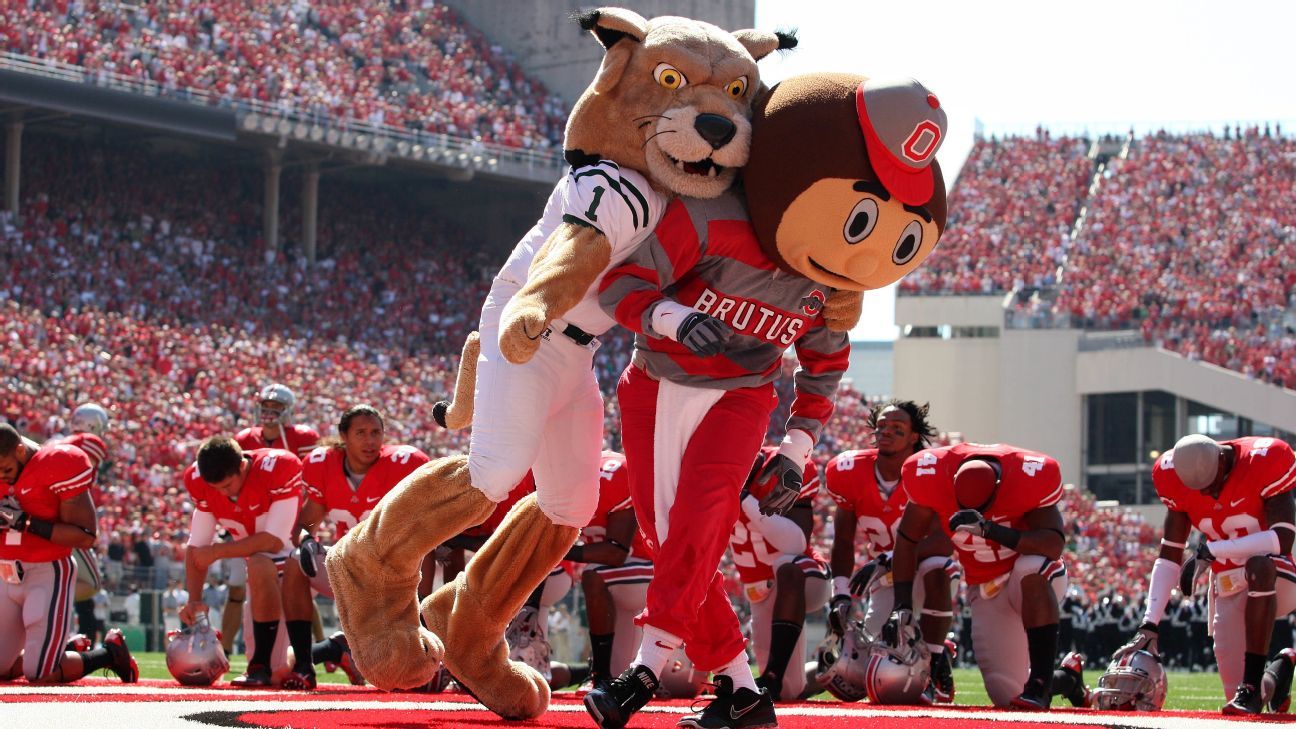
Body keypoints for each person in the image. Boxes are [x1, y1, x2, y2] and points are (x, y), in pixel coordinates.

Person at [1116, 433, 1296, 715]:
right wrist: (1149, 624)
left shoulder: (1264, 458)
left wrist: (1213, 549)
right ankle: (1278, 672)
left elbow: (1282, 539)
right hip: (1227, 580)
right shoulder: (1171, 476)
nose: (1208, 494)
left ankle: (1250, 687)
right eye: (1198, 489)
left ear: (1224, 461)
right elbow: (1169, 553)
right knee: (1241, 702)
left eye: (1213, 485)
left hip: (1275, 574)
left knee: (1258, 566)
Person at [892, 442, 1068, 709]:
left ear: (999, 484)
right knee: (1006, 694)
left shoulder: (1029, 473)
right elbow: (907, 540)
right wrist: (902, 604)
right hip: (986, 589)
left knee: (1030, 566)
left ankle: (1041, 685)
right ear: (951, 482)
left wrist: (990, 529)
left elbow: (1053, 544)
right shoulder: (928, 473)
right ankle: (1067, 679)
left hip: (1033, 579)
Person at [823, 400, 959, 703]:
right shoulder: (850, 470)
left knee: (939, 566)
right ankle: (931, 645)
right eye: (881, 426)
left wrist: (887, 559)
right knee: (868, 674)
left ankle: (936, 659)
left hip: (923, 569)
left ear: (913, 437)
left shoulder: (930, 470)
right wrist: (840, 593)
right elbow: (843, 540)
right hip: (886, 580)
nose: (886, 432)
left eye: (897, 428)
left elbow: (943, 540)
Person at [286, 405, 429, 688]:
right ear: (343, 436)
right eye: (361, 433)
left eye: (376, 433)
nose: (370, 440)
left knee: (413, 682)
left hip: (395, 579)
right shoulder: (322, 465)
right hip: (349, 575)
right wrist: (305, 540)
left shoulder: (403, 464)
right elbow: (307, 522)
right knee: (293, 562)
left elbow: (425, 533)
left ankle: (344, 647)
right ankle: (304, 665)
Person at [0, 424, 137, 684]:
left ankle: (108, 654)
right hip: (5, 574)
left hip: (46, 572)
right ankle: (66, 651)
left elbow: (84, 535)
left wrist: (26, 523)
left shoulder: (55, 463)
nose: (2, 477)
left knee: (40, 674)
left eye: (5, 469)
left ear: (19, 451)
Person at [178, 436, 303, 688]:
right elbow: (197, 545)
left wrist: (217, 552)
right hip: (257, 575)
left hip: (294, 567)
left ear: (243, 467)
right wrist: (193, 600)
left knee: (275, 674)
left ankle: (324, 651)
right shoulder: (201, 481)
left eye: (227, 485)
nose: (222, 493)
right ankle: (329, 649)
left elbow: (274, 542)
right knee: (272, 674)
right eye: (215, 488)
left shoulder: (277, 468)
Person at [730, 447, 827, 702]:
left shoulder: (785, 462)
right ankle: (830, 670)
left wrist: (743, 498)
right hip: (759, 589)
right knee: (788, 691)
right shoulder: (713, 470)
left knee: (787, 564)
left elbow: (795, 544)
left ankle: (773, 675)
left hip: (803, 578)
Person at [572, 452, 653, 687]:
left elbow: (616, 553)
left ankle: (599, 674)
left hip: (643, 565)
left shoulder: (614, 473)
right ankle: (591, 672)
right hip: (623, 574)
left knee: (593, 574)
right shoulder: (558, 477)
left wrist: (556, 551)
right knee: (623, 677)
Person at [235, 384, 320, 459]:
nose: (269, 411)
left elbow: (311, 473)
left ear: (288, 410)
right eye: (265, 405)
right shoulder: (245, 438)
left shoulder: (304, 437)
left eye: (275, 406)